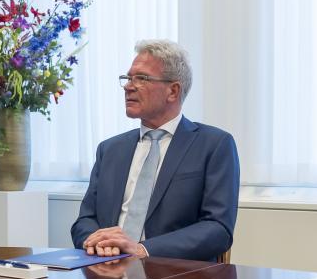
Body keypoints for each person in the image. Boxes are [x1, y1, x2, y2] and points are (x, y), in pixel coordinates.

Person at [71, 39, 240, 261]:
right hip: (105, 270)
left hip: (174, 276)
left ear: (173, 91)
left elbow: (218, 229)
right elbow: (85, 220)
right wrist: (100, 241)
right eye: (128, 78)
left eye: (141, 78)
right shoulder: (110, 149)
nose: (129, 86)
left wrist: (142, 249)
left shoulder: (214, 145)